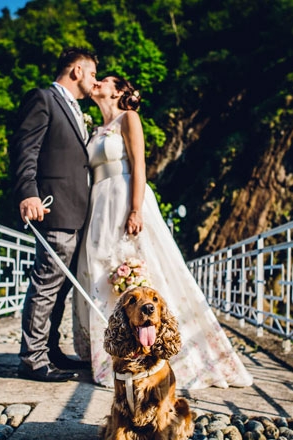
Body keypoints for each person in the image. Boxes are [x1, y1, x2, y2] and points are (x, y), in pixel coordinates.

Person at [73, 76, 253, 390]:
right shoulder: (94, 131)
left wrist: (135, 209)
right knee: (101, 275)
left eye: (105, 80)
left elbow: (139, 165)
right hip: (98, 205)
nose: (97, 82)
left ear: (119, 91)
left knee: (145, 269)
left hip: (124, 195)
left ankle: (166, 352)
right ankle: (111, 357)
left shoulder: (128, 119)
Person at [11, 47, 98, 382]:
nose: (93, 81)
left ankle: (50, 349)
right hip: (53, 206)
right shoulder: (43, 98)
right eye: (91, 74)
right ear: (76, 70)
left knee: (59, 288)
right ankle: (32, 360)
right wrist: (28, 193)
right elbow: (25, 148)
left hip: (76, 210)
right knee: (46, 284)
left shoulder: (75, 108)